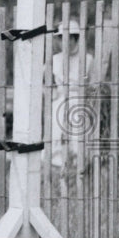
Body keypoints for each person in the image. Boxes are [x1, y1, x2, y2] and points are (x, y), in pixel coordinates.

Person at [50, 18, 96, 168]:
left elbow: (93, 85)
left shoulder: (88, 59)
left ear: (76, 39)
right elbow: (47, 84)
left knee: (78, 130)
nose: (65, 42)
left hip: (79, 100)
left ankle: (78, 161)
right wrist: (54, 94)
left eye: (69, 38)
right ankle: (58, 160)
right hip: (60, 99)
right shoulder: (54, 60)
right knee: (57, 127)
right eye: (61, 38)